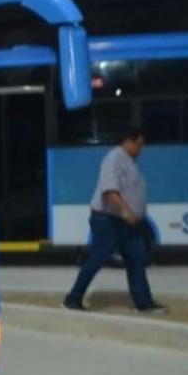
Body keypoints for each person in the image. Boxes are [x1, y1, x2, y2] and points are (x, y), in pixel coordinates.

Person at [63, 127, 166, 314]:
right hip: (109, 220)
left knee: (137, 258)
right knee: (97, 258)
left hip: (127, 224)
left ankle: (144, 303)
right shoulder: (113, 159)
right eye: (139, 145)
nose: (141, 150)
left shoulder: (129, 162)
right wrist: (127, 212)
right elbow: (110, 192)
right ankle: (73, 298)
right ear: (129, 140)